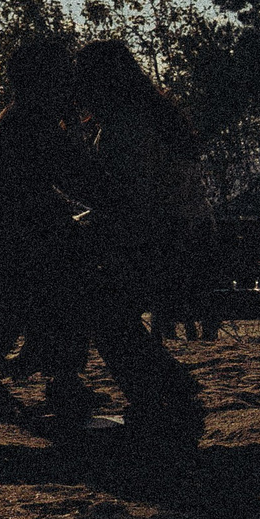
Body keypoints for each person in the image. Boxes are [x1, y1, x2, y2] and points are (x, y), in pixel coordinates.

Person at [0, 35, 97, 419]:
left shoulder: (13, 120)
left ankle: (16, 373)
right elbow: (82, 181)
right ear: (50, 79)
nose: (71, 82)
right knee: (69, 276)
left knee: (50, 270)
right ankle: (62, 379)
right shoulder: (34, 125)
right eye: (65, 74)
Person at [74, 37, 219, 340]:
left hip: (162, 251)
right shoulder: (161, 115)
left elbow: (129, 201)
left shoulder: (124, 128)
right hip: (197, 243)